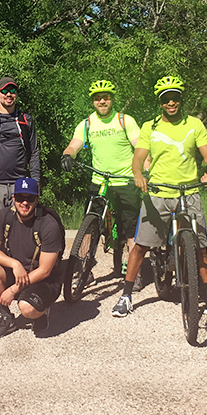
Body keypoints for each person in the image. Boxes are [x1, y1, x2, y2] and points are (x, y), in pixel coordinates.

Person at [114, 76, 207, 320]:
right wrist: (138, 175)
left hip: (188, 192)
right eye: (166, 99)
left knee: (201, 248)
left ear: (181, 99)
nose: (171, 102)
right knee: (140, 246)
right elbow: (138, 158)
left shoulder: (194, 124)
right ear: (159, 102)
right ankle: (126, 295)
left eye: (175, 97)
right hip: (158, 192)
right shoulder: (151, 126)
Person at [61, 79, 140, 276]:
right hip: (100, 182)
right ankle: (83, 270)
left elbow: (139, 146)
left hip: (125, 181)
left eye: (105, 98)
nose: (102, 101)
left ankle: (134, 273)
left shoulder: (125, 120)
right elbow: (74, 145)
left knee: (130, 231)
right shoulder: (87, 124)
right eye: (98, 98)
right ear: (93, 101)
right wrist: (67, 156)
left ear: (112, 99)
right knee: (89, 226)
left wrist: (143, 170)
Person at [0, 177, 64, 338]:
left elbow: (45, 271)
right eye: (20, 198)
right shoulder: (4, 216)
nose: (24, 203)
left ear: (37, 199)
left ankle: (41, 312)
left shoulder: (48, 224)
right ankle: (6, 317)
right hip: (18, 272)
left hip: (43, 279)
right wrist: (14, 264)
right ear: (13, 198)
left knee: (27, 308)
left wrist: (13, 290)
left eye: (30, 198)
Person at [0, 76, 41, 236]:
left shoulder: (26, 120)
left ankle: (18, 261)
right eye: (4, 91)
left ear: (16, 94)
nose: (8, 94)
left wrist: (36, 181)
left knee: (21, 230)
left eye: (12, 91)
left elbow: (34, 152)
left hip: (20, 184)